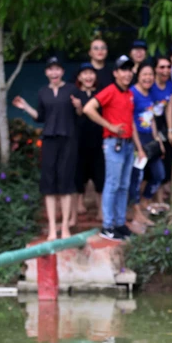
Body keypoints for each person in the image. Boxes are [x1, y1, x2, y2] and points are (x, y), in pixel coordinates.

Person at [12, 56, 82, 240]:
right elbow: (39, 116)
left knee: (66, 183)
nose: (54, 72)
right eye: (50, 69)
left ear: (62, 72)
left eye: (57, 69)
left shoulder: (72, 90)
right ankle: (52, 227)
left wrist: (79, 106)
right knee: (49, 184)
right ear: (46, 72)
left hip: (68, 139)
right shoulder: (43, 92)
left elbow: (80, 114)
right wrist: (25, 106)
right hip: (49, 140)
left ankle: (65, 226)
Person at [83, 55, 147, 241]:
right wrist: (109, 126)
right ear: (116, 73)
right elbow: (88, 108)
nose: (127, 73)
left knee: (123, 186)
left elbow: (131, 123)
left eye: (129, 70)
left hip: (127, 145)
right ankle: (107, 226)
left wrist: (139, 147)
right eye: (123, 70)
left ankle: (119, 224)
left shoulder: (129, 94)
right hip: (113, 144)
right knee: (112, 185)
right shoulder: (110, 90)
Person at [128, 63, 166, 228]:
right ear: (138, 75)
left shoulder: (151, 93)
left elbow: (151, 119)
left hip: (151, 140)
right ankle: (136, 213)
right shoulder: (132, 93)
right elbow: (131, 122)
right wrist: (139, 147)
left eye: (150, 74)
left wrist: (158, 141)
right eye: (144, 74)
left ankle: (144, 203)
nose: (148, 77)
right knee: (136, 179)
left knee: (159, 174)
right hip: (138, 140)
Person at [72, 62, 105, 223]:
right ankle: (79, 204)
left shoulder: (101, 94)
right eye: (84, 73)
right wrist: (77, 109)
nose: (88, 76)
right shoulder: (74, 94)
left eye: (91, 73)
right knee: (79, 175)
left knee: (100, 177)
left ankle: (101, 211)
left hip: (99, 141)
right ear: (79, 77)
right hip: (79, 142)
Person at [153, 56, 172, 204]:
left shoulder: (169, 86)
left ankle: (161, 200)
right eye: (162, 67)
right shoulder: (149, 85)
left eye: (168, 67)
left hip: (163, 125)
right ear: (155, 69)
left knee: (165, 160)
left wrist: (170, 131)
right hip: (148, 125)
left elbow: (168, 109)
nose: (165, 70)